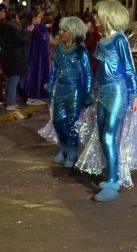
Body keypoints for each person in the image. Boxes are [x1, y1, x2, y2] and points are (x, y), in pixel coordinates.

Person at [75, 0, 137, 202]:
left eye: (98, 15)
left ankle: (113, 180)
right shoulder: (102, 40)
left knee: (109, 136)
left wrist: (135, 94)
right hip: (102, 92)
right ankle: (112, 173)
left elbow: (129, 69)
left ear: (108, 17)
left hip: (118, 92)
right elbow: (99, 70)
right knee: (102, 136)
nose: (95, 19)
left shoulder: (120, 40)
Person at [42, 17, 93, 167]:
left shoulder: (81, 51)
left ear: (73, 32)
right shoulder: (59, 48)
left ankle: (72, 153)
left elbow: (88, 73)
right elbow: (55, 68)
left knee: (71, 123)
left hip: (76, 89)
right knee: (57, 121)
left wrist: (88, 93)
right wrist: (51, 84)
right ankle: (64, 149)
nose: (61, 32)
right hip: (61, 89)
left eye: (64, 30)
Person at [1, 10, 34, 110]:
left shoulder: (6, 27)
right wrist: (28, 32)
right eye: (17, 18)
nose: (19, 20)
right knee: (14, 80)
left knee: (11, 79)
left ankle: (9, 101)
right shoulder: (11, 28)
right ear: (13, 18)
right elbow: (22, 40)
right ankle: (10, 103)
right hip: (14, 58)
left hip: (10, 57)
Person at [20, 10, 50, 105]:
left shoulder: (37, 26)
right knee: (32, 76)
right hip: (32, 58)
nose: (40, 19)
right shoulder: (29, 27)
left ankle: (34, 95)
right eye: (39, 17)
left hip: (38, 57)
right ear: (34, 18)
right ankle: (30, 97)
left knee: (37, 75)